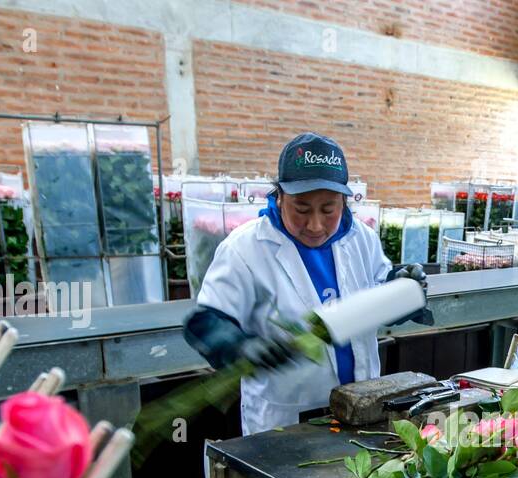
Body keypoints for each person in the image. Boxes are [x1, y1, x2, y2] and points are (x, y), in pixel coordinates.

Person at [183, 132, 430, 435]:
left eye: (329, 210)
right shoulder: (245, 248)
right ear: (279, 197)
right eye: (301, 209)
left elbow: (379, 293)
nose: (315, 225)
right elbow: (206, 321)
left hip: (364, 408)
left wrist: (402, 285)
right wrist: (239, 347)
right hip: (285, 421)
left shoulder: (360, 239)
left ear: (344, 201)